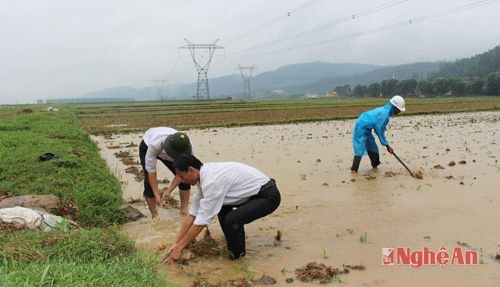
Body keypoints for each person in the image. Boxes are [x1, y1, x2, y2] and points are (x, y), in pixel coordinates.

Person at [165, 154, 281, 262]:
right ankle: (233, 243)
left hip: (268, 196)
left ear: (191, 170)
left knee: (232, 220)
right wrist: (175, 243)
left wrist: (180, 247)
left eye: (182, 176)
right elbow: (193, 214)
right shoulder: (203, 176)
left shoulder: (211, 181)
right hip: (252, 194)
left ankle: (237, 259)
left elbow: (202, 221)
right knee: (221, 209)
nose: (182, 180)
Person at [139, 127, 193, 219]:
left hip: (173, 149)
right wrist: (157, 195)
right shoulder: (154, 144)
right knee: (149, 182)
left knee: (185, 179)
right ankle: (155, 216)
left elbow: (182, 174)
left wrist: (169, 190)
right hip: (147, 145)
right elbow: (151, 171)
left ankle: (183, 212)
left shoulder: (188, 150)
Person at [350, 95, 406, 173]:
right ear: (394, 107)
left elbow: (379, 130)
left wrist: (386, 145)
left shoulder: (385, 112)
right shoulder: (385, 115)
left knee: (372, 147)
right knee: (359, 148)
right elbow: (379, 131)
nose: (399, 112)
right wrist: (387, 146)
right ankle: (354, 171)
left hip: (367, 128)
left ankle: (375, 168)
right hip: (361, 126)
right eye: (399, 110)